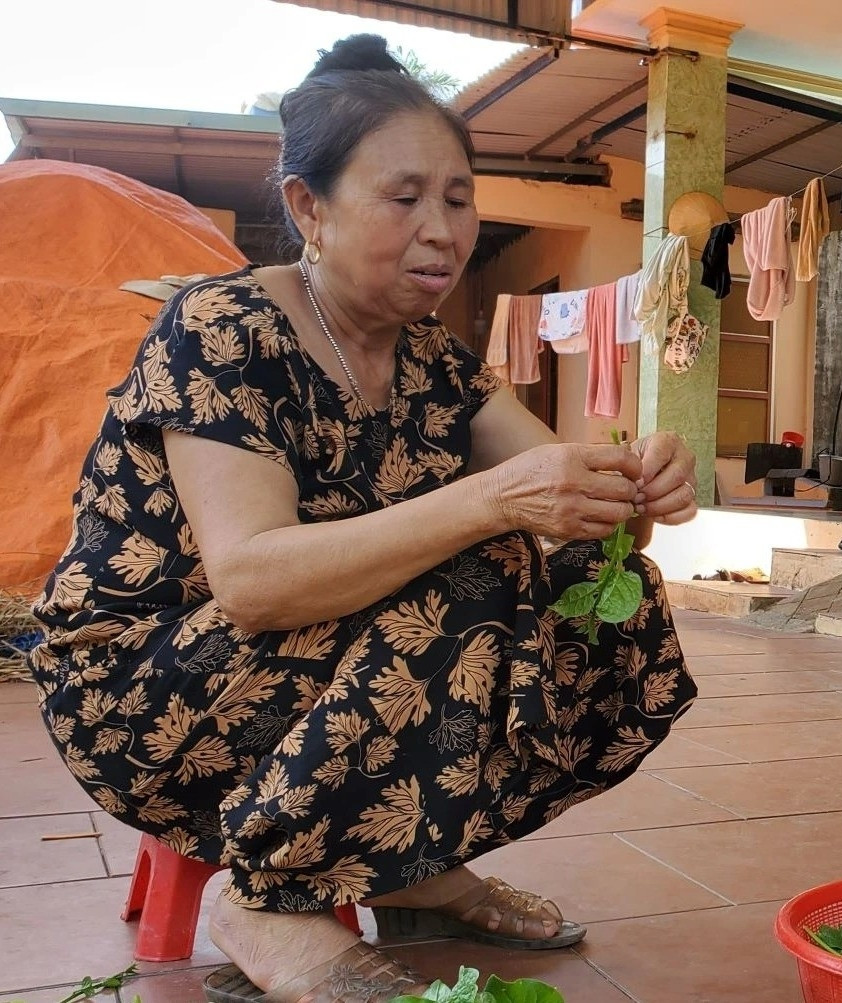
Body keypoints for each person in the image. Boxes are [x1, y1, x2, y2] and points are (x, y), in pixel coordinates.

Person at [28, 34, 699, 1001]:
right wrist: (491, 501)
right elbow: (253, 582)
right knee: (475, 569)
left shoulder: (438, 361)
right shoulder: (223, 331)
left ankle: (409, 863)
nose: (443, 229)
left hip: (321, 667)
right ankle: (267, 896)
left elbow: (563, 494)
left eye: (459, 198)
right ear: (309, 207)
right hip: (151, 683)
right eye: (404, 197)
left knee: (598, 601)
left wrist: (635, 486)